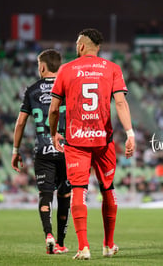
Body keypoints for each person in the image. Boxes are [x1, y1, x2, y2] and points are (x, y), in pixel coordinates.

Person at [49, 28, 135, 260]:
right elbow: (120, 103)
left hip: (76, 141)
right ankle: (108, 245)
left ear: (81, 46)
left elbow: (54, 108)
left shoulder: (66, 70)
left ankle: (84, 247)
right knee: (108, 188)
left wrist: (54, 133)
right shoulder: (112, 68)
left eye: (77, 43)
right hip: (103, 140)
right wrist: (130, 133)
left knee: (79, 190)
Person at [11, 49, 71, 255]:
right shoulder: (68, 87)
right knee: (65, 195)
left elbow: (20, 123)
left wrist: (15, 150)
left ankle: (49, 235)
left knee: (45, 195)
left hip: (43, 151)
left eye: (38, 65)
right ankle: (62, 243)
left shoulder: (32, 90)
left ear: (42, 67)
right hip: (67, 151)